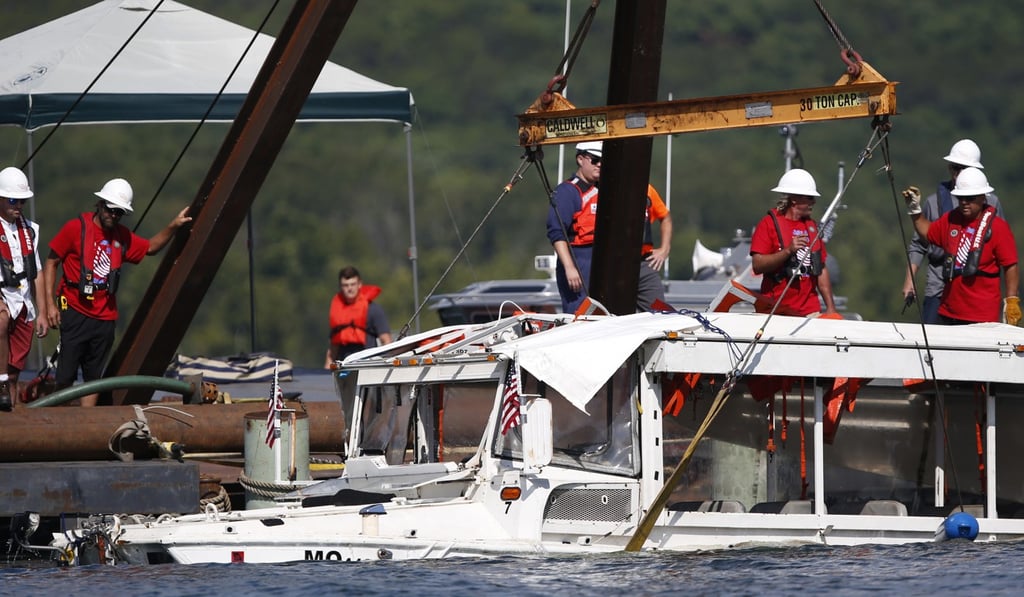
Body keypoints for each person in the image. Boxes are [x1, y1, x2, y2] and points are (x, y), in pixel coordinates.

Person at [43, 178, 192, 406]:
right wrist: (50, 305)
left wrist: (173, 225)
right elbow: (51, 262)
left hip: (105, 318)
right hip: (74, 309)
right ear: (100, 204)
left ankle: (86, 428)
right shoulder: (76, 229)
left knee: (93, 378)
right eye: (111, 210)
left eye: (120, 212)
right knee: (65, 375)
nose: (114, 215)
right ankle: (57, 424)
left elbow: (150, 247)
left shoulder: (121, 236)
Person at [902, 139, 1004, 323]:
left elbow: (1002, 249)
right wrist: (910, 280)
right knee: (933, 338)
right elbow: (919, 244)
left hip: (975, 288)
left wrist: (1010, 297)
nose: (957, 174)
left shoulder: (991, 203)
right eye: (954, 168)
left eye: (963, 168)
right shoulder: (933, 203)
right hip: (939, 282)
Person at [750, 168, 838, 317]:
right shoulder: (768, 224)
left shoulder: (812, 228)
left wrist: (831, 309)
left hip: (809, 312)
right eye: (810, 197)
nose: (814, 202)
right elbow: (757, 265)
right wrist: (788, 251)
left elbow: (821, 270)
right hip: (776, 311)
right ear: (795, 199)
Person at [0, 167, 48, 411]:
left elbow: (37, 271)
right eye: (12, 200)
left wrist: (42, 312)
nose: (17, 205)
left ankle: (9, 424)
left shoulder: (30, 229)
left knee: (15, 371)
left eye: (22, 200)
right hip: (3, 298)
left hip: (24, 303)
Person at [547, 141, 602, 314]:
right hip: (578, 259)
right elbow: (556, 233)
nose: (600, 164)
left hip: (599, 258)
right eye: (595, 160)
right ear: (581, 159)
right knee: (579, 313)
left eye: (603, 160)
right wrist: (570, 267)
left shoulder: (605, 190)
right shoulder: (567, 192)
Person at [324, 266, 392, 366]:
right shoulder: (337, 310)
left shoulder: (373, 309)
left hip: (367, 364)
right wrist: (326, 372)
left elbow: (386, 341)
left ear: (359, 284)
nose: (349, 289)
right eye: (345, 285)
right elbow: (333, 348)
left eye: (352, 284)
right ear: (340, 287)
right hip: (344, 365)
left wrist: (384, 366)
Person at [637, 184, 672, 309]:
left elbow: (665, 217)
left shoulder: (647, 189)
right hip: (614, 263)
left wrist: (664, 249)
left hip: (644, 261)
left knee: (659, 311)